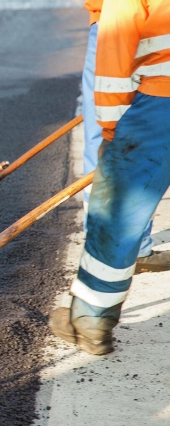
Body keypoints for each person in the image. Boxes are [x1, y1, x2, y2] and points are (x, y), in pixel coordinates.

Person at [51, 0, 170, 355]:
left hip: (162, 97)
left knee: (118, 205)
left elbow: (117, 49)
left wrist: (110, 131)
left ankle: (91, 318)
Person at [82, 0, 170, 273]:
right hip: (124, 25)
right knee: (114, 139)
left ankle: (120, 245)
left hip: (129, 23)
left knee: (114, 134)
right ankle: (114, 248)